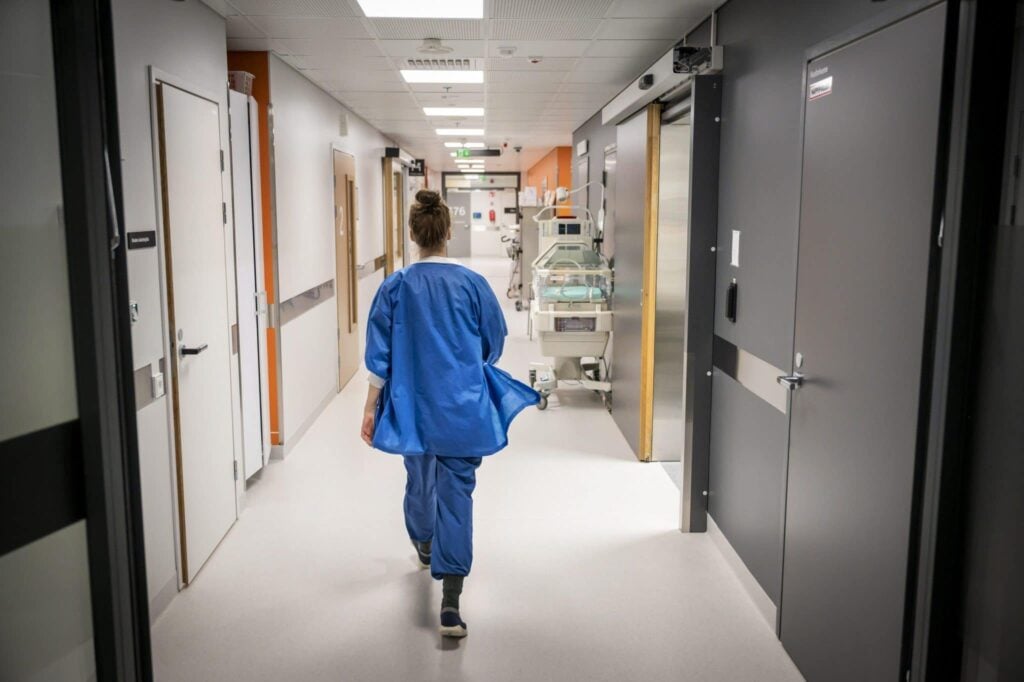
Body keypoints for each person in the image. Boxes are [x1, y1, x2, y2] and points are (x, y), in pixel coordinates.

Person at [361, 188, 538, 639]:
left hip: (412, 408)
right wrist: (462, 363)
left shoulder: (396, 286)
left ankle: (424, 544)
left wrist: (369, 408)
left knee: (419, 481)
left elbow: (380, 356)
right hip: (462, 409)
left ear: (413, 233)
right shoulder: (472, 285)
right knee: (456, 495)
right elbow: (493, 344)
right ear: (448, 233)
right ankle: (451, 604)